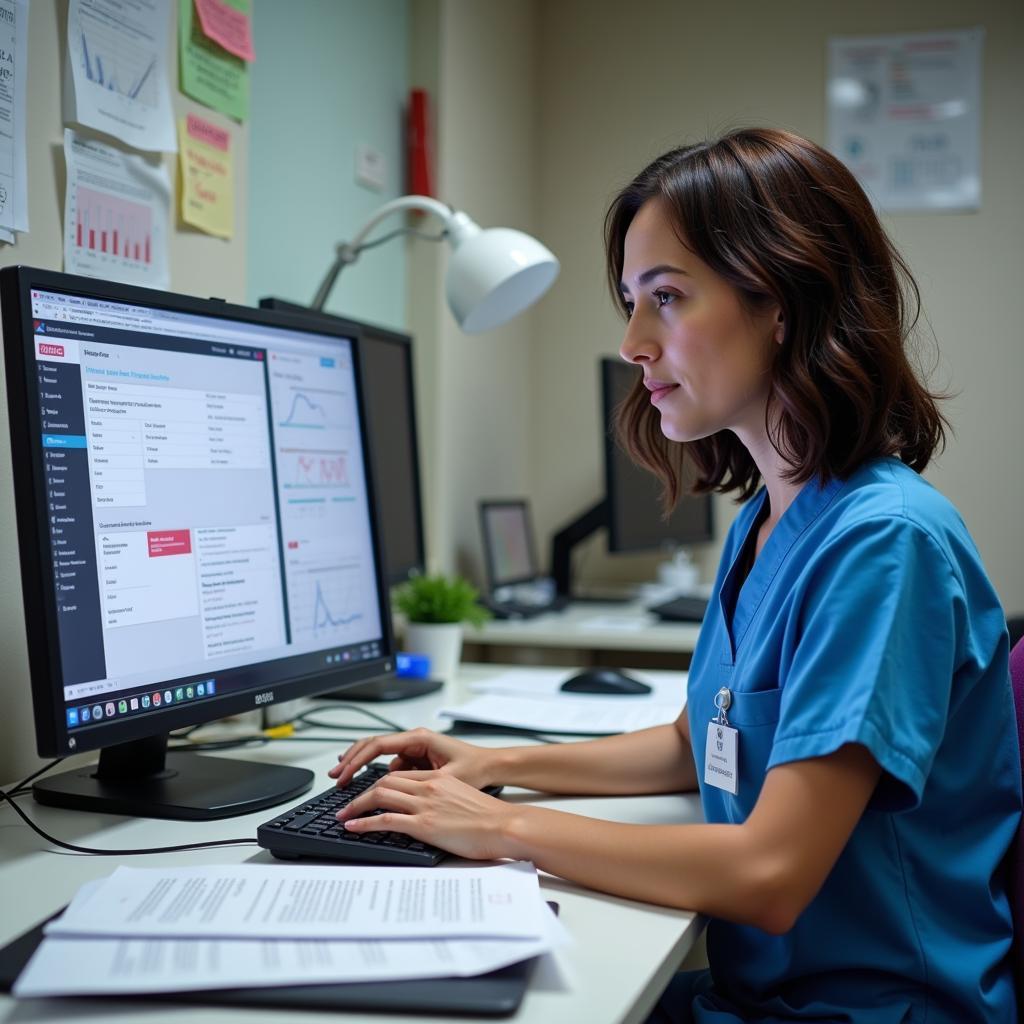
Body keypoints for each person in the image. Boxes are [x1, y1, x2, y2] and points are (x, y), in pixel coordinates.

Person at [328, 128, 1021, 1023]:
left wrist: (496, 828)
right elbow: (700, 743)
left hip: (871, 1008)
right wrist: (496, 763)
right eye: (629, 300)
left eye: (666, 297)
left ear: (784, 302)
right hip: (768, 990)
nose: (632, 342)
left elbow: (770, 875)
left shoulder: (883, 544)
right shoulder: (767, 521)